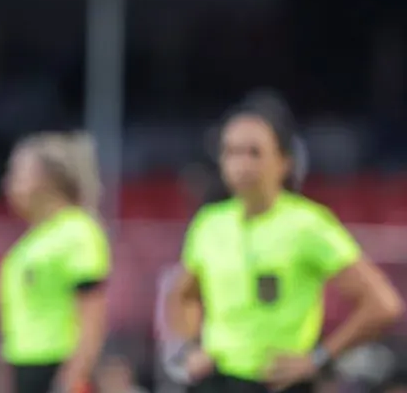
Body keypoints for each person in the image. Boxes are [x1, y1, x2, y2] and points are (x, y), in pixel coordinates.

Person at [164, 98, 404, 393]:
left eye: (254, 152)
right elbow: (183, 295)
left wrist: (319, 358)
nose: (241, 164)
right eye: (231, 151)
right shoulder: (209, 223)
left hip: (279, 383)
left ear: (284, 161)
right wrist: (190, 349)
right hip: (217, 381)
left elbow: (383, 304)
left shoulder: (308, 224)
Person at [0, 132, 110, 393]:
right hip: (25, 367)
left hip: (58, 368)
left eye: (18, 174)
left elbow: (93, 320)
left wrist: (69, 381)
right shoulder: (30, 241)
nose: (7, 183)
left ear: (46, 179)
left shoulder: (78, 231)